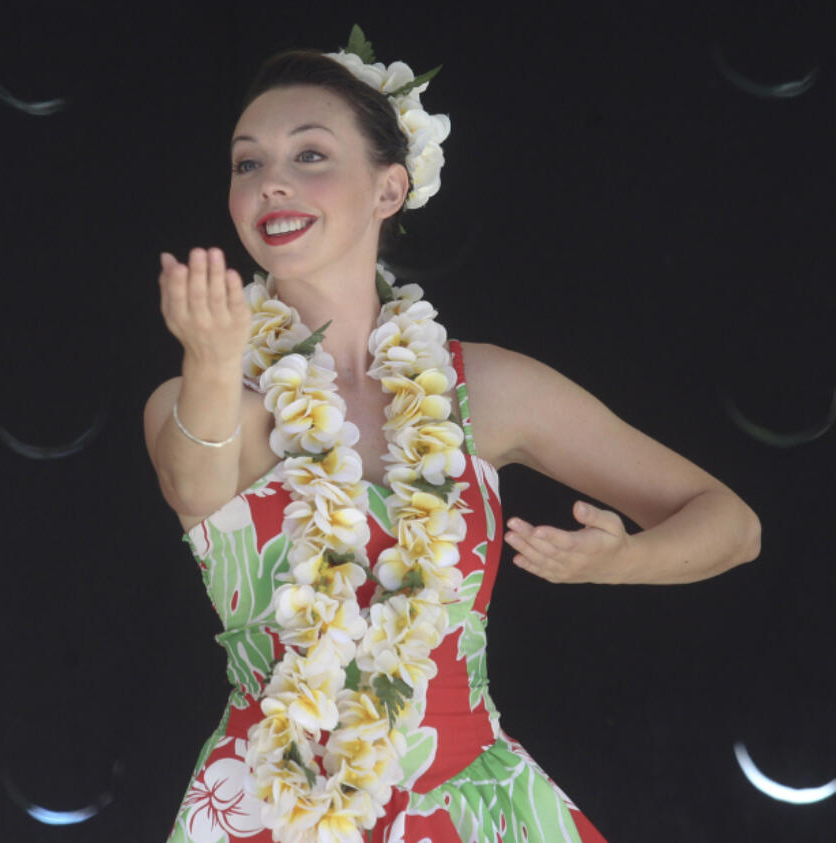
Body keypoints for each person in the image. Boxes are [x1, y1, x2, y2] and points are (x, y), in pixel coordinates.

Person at [143, 29, 760, 843]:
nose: (271, 184)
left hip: (471, 806)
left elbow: (732, 522)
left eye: (311, 155)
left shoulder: (488, 389)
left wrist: (624, 560)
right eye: (247, 163)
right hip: (269, 808)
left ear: (389, 187)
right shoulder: (205, 393)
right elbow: (196, 488)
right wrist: (216, 365)